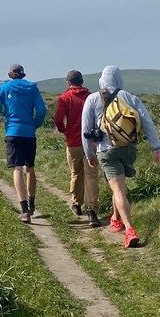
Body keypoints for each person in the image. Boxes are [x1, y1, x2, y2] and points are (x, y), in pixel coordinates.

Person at [81, 66, 160, 248]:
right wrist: (156, 147)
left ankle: (129, 229)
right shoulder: (130, 97)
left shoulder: (93, 99)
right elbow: (147, 122)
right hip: (128, 149)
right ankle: (115, 219)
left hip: (106, 150)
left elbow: (85, 130)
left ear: (102, 79)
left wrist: (89, 154)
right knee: (119, 186)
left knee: (118, 189)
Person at [0, 63, 48, 223]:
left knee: (17, 169)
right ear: (22, 74)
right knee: (30, 169)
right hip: (29, 134)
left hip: (13, 133)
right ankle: (32, 203)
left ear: (10, 74)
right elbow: (42, 110)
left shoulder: (3, 88)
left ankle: (24, 210)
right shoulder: (32, 88)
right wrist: (35, 124)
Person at [53, 70, 99, 226]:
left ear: (68, 82)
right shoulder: (92, 97)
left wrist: (64, 131)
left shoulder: (64, 98)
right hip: (91, 142)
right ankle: (92, 210)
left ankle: (76, 203)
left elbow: (58, 119)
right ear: (82, 81)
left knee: (76, 173)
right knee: (91, 175)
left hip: (73, 142)